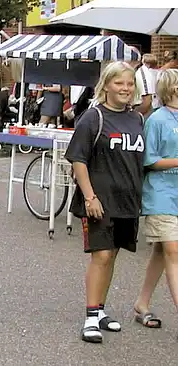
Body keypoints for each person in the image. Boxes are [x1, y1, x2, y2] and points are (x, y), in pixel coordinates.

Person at [65, 61, 145, 344]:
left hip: (127, 201)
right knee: (100, 256)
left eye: (130, 83)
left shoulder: (137, 119)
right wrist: (90, 196)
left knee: (112, 256)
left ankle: (99, 310)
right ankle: (89, 318)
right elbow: (78, 159)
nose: (125, 88)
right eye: (119, 83)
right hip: (99, 200)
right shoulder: (93, 117)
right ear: (106, 85)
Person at [132, 69, 178, 330]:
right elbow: (149, 160)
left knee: (162, 250)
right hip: (160, 192)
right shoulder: (157, 120)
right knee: (173, 249)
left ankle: (142, 302)